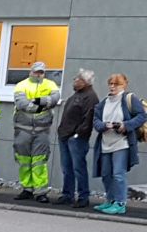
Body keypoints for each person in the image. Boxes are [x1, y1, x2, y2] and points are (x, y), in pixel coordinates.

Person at [92, 73, 147, 216]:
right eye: (110, 83)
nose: (112, 86)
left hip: (122, 143)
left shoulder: (130, 98)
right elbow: (96, 120)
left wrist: (125, 125)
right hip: (105, 142)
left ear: (124, 85)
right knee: (106, 174)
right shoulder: (104, 101)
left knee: (118, 174)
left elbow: (142, 116)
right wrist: (105, 125)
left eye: (116, 84)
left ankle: (120, 203)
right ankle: (110, 200)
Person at [12, 61, 61, 202]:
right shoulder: (21, 85)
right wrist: (44, 105)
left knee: (40, 161)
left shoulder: (50, 84)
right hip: (23, 129)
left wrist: (36, 101)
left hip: (42, 130)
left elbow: (55, 99)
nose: (39, 74)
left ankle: (40, 192)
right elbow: (22, 104)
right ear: (30, 72)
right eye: (36, 72)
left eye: (41, 72)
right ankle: (27, 188)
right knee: (24, 160)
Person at [54, 69, 99, 207]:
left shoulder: (90, 97)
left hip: (76, 139)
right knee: (67, 167)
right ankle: (67, 194)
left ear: (85, 82)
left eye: (77, 79)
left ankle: (83, 196)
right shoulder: (77, 95)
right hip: (65, 135)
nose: (74, 81)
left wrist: (77, 135)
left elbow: (88, 120)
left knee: (78, 168)